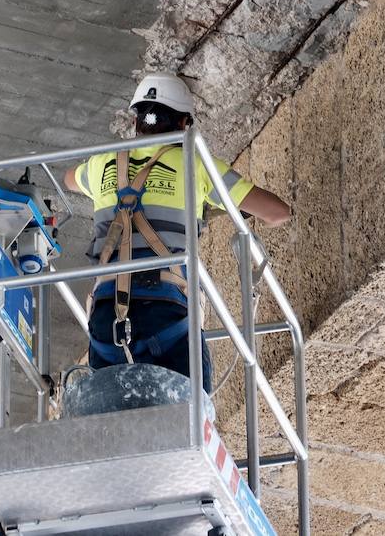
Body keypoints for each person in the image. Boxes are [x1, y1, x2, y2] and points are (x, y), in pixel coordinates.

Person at [63, 73, 291, 391]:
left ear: (137, 121)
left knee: (114, 420)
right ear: (185, 124)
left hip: (105, 315)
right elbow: (278, 213)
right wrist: (216, 204)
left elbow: (69, 179)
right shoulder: (195, 164)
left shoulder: (103, 163)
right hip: (165, 311)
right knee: (193, 418)